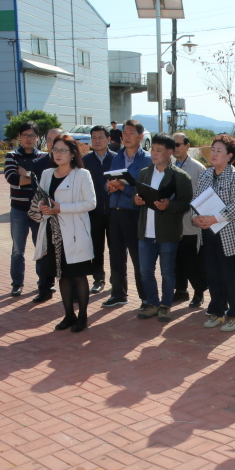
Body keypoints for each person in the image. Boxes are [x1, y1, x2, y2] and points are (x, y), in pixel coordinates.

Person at [31, 135, 97, 332]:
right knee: (62, 276)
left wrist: (62, 208)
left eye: (63, 150)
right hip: (53, 233)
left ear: (72, 153)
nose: (58, 154)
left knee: (78, 275)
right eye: (55, 149)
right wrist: (42, 206)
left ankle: (83, 317)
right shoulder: (47, 173)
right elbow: (40, 198)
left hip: (75, 233)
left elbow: (91, 203)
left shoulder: (82, 175)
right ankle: (69, 315)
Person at [133, 134, 193, 323]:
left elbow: (186, 203)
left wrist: (170, 205)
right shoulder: (144, 173)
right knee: (145, 271)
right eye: (153, 150)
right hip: (146, 232)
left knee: (167, 272)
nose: (154, 154)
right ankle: (152, 303)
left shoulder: (180, 176)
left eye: (159, 150)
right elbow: (137, 197)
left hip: (167, 233)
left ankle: (166, 305)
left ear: (170, 152)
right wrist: (136, 200)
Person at [193, 135, 235, 332]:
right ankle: (217, 311)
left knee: (231, 276)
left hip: (228, 236)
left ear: (230, 156)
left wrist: (215, 218)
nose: (214, 154)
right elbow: (196, 200)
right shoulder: (206, 175)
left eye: (219, 151)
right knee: (213, 275)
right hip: (207, 234)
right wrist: (195, 218)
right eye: (213, 150)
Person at [4, 121, 54, 301]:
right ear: (19, 137)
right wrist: (30, 176)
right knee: (18, 249)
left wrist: (25, 174)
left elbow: (43, 179)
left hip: (38, 209)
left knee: (41, 247)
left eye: (32, 135)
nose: (29, 139)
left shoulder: (43, 157)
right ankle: (17, 283)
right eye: (25, 135)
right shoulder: (11, 155)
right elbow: (11, 178)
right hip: (18, 210)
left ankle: (45, 282)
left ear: (37, 138)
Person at [105, 119, 152, 308]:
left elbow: (145, 190)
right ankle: (118, 293)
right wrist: (109, 186)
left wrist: (123, 187)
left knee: (138, 258)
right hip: (114, 212)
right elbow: (108, 179)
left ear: (141, 137)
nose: (127, 136)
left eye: (131, 133)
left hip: (134, 214)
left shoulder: (147, 160)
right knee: (116, 256)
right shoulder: (117, 156)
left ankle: (146, 298)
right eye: (124, 133)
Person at [172, 132, 207, 308]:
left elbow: (204, 196)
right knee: (176, 260)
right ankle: (180, 290)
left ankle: (198, 292)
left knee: (193, 261)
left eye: (178, 144)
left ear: (187, 146)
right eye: (173, 145)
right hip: (172, 223)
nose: (175, 148)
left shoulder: (198, 168)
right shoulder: (168, 165)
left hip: (192, 224)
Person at [81, 125, 114, 294]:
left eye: (101, 137)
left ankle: (117, 280)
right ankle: (98, 279)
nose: (97, 141)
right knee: (96, 247)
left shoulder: (117, 159)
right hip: (93, 213)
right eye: (94, 138)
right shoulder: (85, 162)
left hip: (114, 211)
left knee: (116, 248)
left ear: (109, 139)